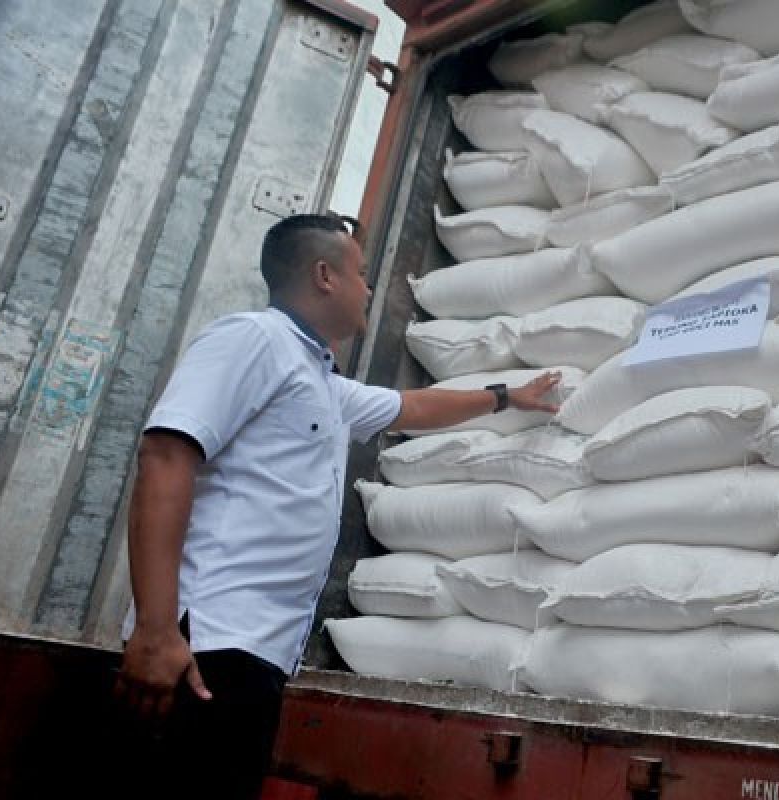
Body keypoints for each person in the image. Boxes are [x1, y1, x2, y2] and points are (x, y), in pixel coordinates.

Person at [110, 213, 560, 799]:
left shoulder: (320, 382)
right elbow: (165, 455)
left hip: (255, 660)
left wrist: (506, 397)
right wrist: (154, 629)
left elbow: (413, 407)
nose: (370, 289)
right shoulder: (253, 339)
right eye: (363, 274)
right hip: (203, 648)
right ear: (325, 275)